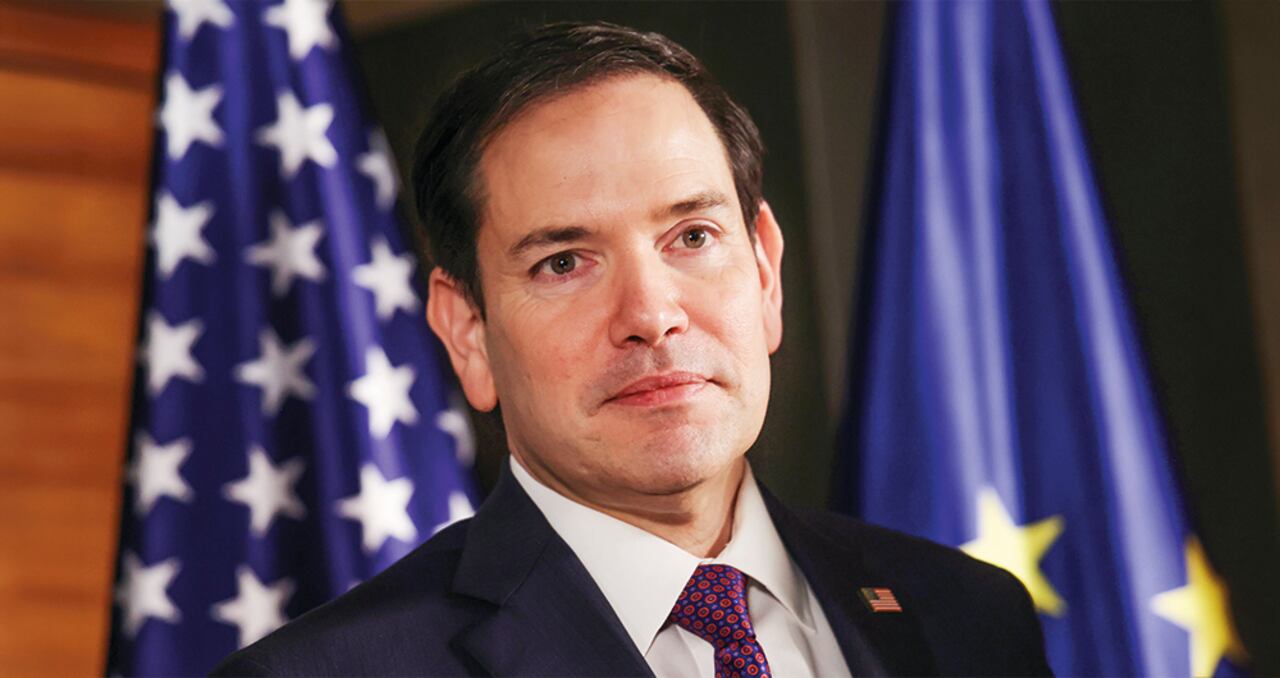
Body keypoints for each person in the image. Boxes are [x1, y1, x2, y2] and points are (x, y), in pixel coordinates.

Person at [213, 21, 1051, 677]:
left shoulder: (969, 617)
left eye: (693, 236)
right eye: (564, 262)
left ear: (765, 272)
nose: (651, 315)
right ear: (468, 331)